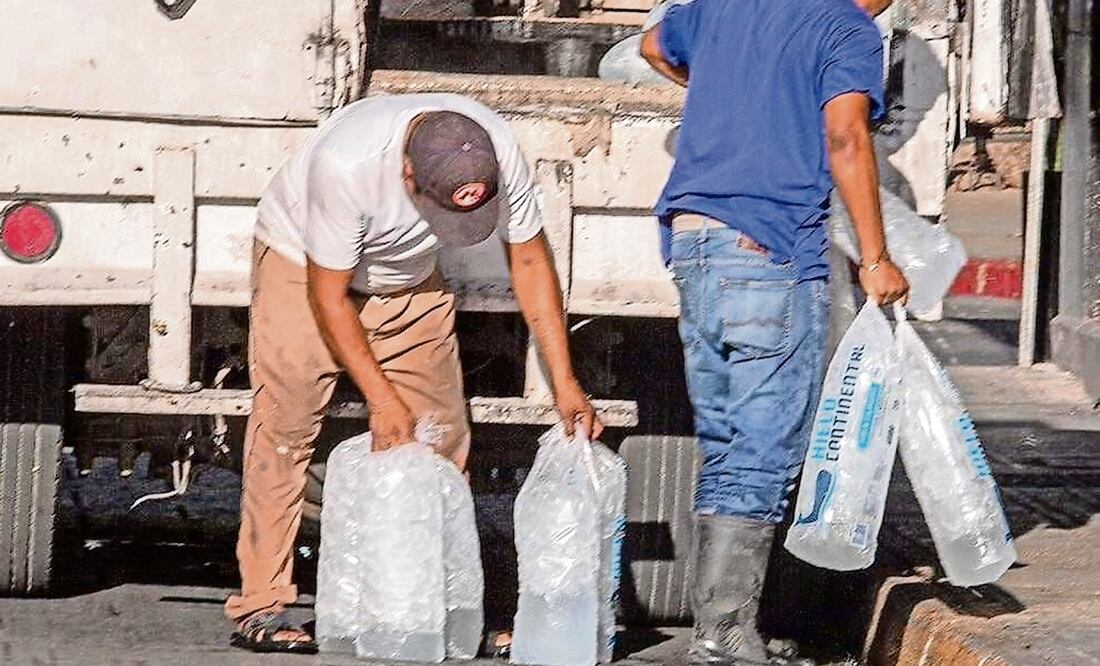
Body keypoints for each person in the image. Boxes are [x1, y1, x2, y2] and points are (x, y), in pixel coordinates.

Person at [225, 93, 603, 654]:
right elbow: (328, 297)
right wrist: (381, 398)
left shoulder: (496, 148)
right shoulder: (347, 166)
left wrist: (565, 382)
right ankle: (261, 603)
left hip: (409, 278)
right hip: (303, 266)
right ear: (407, 174)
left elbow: (528, 260)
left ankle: (446, 608)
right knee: (286, 430)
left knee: (443, 439)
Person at [640, 0, 908, 663]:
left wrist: (730, 98)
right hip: (769, 247)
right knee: (762, 450)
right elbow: (845, 135)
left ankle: (718, 629)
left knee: (729, 441)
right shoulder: (845, 28)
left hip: (695, 244)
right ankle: (726, 636)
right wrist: (875, 258)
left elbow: (651, 45)